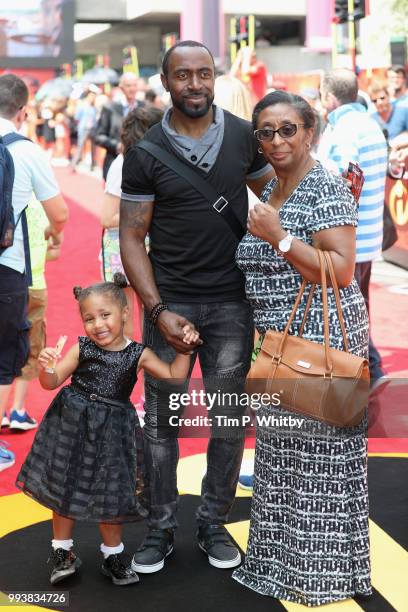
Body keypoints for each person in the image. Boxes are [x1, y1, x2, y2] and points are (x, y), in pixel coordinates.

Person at [120, 40, 274, 573]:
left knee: (228, 420)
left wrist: (333, 194)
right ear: (165, 81)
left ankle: (212, 521)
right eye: (183, 75)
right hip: (172, 306)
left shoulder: (241, 136)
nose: (195, 84)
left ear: (214, 78)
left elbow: (278, 191)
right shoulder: (144, 153)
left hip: (233, 303)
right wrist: (158, 310)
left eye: (204, 74)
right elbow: (131, 238)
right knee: (161, 422)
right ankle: (160, 527)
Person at [232, 90, 371, 606]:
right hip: (276, 345)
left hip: (319, 340)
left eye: (287, 129)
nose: (276, 140)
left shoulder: (325, 187)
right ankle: (276, 566)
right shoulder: (271, 188)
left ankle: (322, 576)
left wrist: (281, 239)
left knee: (318, 462)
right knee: (279, 457)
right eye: (265, 132)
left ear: (310, 131)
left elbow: (339, 270)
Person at [16, 273, 199, 585]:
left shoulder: (137, 353)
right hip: (72, 424)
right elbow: (50, 382)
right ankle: (62, 551)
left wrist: (183, 351)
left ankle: (113, 554)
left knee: (112, 492)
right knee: (65, 487)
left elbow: (172, 376)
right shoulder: (82, 347)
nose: (97, 324)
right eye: (89, 318)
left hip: (115, 430)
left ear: (124, 312)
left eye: (105, 315)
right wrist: (47, 365)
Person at [0, 74, 68, 473]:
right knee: (3, 355)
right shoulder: (28, 151)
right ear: (24, 111)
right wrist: (52, 234)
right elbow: (59, 213)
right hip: (7, 266)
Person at [318, 68, 388, 386]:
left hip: (351, 239)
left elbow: (348, 180)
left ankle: (367, 370)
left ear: (330, 98)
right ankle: (369, 368)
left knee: (347, 312)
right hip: (365, 236)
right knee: (355, 308)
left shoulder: (346, 130)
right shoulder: (368, 124)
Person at [100, 106, 163, 340]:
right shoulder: (121, 164)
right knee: (125, 319)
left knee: (153, 314)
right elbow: (107, 217)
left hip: (150, 246)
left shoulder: (154, 161)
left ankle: (148, 370)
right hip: (122, 246)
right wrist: (147, 215)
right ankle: (128, 372)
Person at [2, 197, 61, 432]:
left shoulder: (9, 201)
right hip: (35, 284)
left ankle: (2, 411)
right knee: (30, 347)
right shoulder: (43, 207)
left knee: (3, 344)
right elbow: (54, 249)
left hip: (7, 281)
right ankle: (18, 409)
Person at [94, 72, 142, 180]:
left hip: (139, 166)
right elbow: (98, 136)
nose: (132, 89)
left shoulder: (144, 107)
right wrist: (117, 146)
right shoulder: (109, 108)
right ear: (121, 87)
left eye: (135, 85)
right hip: (114, 162)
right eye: (129, 85)